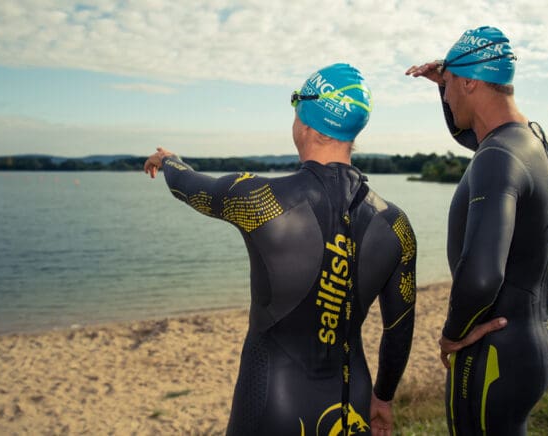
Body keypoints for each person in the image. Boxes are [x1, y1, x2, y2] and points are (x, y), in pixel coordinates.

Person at [144, 63, 417, 435]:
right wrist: (382, 399)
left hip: (273, 402)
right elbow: (399, 328)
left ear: (305, 120)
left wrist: (168, 160)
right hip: (352, 403)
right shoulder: (396, 225)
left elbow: (191, 187)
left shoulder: (261, 200)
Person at [405, 26, 548, 435]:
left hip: (492, 354)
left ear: (471, 81)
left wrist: (453, 335)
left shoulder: (497, 157)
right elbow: (472, 133)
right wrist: (444, 80)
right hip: (534, 340)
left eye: (451, 86)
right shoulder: (533, 142)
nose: (446, 95)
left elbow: (481, 275)